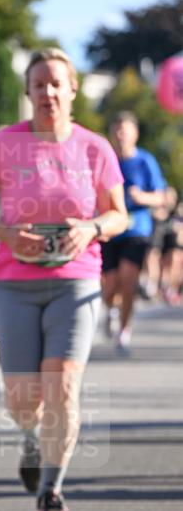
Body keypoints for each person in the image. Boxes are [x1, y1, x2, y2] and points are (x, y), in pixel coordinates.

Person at [0, 48, 127, 511]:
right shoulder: (3, 144)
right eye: (39, 84)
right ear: (29, 92)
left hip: (75, 282)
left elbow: (119, 213)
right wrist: (8, 234)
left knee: (64, 387)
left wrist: (92, 228)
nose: (48, 92)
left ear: (73, 90)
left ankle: (51, 490)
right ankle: (31, 439)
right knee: (23, 398)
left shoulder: (95, 148)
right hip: (14, 284)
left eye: (57, 83)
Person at [100, 112, 167, 353]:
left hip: (136, 229)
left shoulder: (145, 161)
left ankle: (124, 329)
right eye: (117, 131)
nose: (120, 136)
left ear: (135, 134)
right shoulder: (106, 161)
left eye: (125, 132)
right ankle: (110, 309)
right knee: (109, 285)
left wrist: (143, 197)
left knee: (128, 279)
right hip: (109, 229)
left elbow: (162, 195)